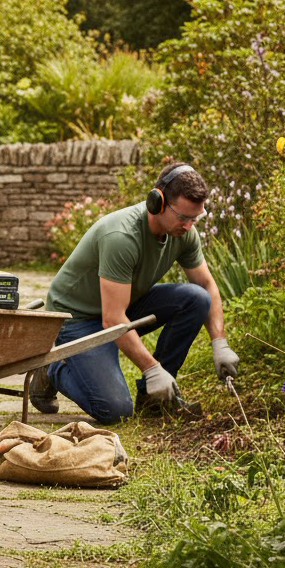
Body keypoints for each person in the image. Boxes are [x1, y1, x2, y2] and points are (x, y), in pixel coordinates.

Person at [29, 163, 239, 422]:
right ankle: (53, 368)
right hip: (76, 319)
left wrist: (220, 343)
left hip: (121, 306)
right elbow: (112, 320)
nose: (188, 226)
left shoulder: (184, 233)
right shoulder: (122, 236)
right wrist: (151, 368)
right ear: (157, 203)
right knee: (115, 411)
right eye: (183, 218)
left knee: (196, 299)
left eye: (195, 218)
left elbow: (206, 285)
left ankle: (154, 400)